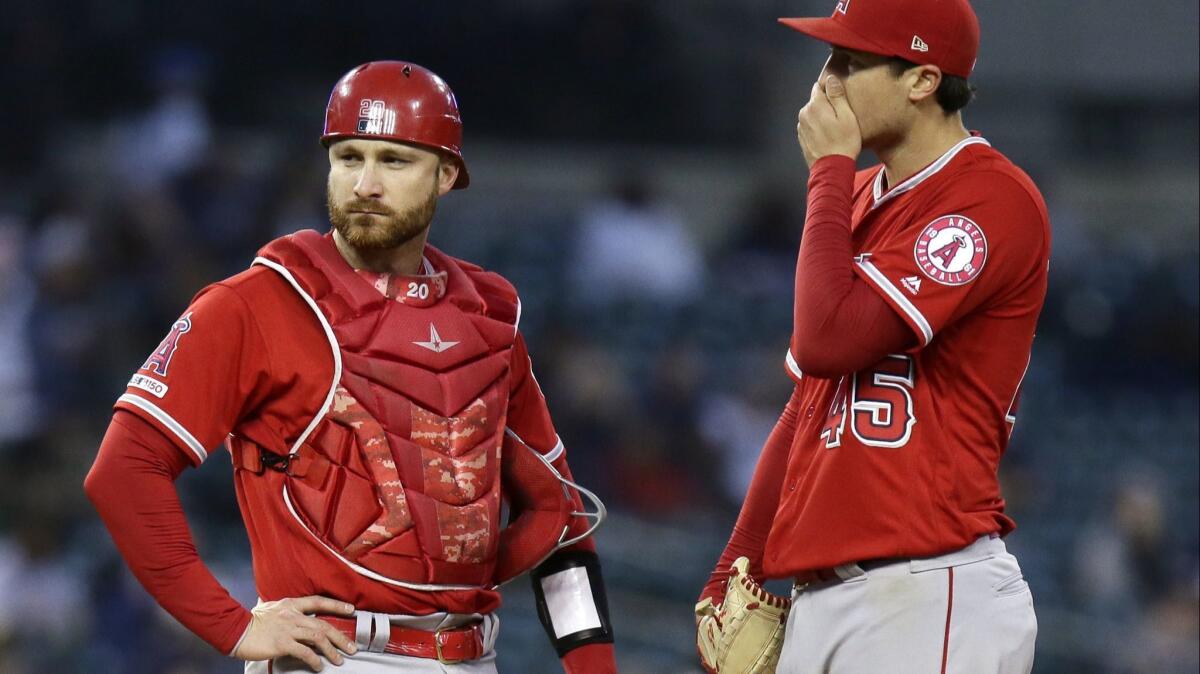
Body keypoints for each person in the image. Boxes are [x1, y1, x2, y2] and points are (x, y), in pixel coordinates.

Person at [85, 61, 616, 674]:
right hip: (333, 657)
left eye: (394, 160)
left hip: (475, 657)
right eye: (348, 157)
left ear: (445, 175)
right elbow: (124, 470)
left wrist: (595, 669)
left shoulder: (488, 323)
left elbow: (560, 521)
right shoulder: (257, 304)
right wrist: (229, 626)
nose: (365, 182)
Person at [698, 1, 1049, 672]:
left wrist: (826, 173)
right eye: (829, 59)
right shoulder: (856, 195)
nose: (826, 82)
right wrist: (732, 565)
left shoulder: (990, 197)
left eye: (850, 62)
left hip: (926, 589)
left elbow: (831, 338)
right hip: (827, 596)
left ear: (921, 79)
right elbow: (809, 402)